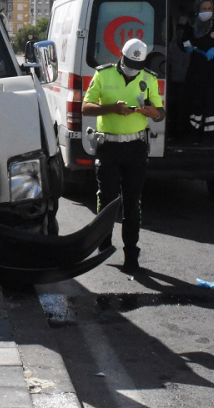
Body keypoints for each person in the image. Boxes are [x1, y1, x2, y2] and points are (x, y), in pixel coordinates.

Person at [82, 38, 165, 273]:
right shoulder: (103, 74)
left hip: (135, 148)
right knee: (107, 198)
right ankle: (104, 243)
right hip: (108, 146)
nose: (132, 68)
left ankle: (131, 254)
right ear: (121, 55)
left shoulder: (148, 78)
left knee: (132, 202)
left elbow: (161, 113)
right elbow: (86, 107)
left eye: (136, 64)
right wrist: (112, 108)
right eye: (129, 62)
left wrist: (153, 113)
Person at [182, 0, 214, 143]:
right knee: (195, 103)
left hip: (213, 73)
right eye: (204, 9)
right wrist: (188, 47)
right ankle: (194, 134)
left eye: (210, 9)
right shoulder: (190, 25)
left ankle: (210, 136)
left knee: (211, 105)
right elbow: (184, 41)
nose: (207, 12)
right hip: (196, 72)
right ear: (197, 10)